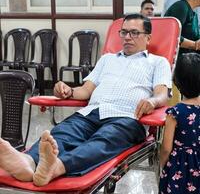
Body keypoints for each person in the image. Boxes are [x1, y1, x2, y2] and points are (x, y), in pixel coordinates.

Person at [0, 13, 172, 187]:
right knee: (61, 133)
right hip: (91, 113)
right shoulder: (107, 59)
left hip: (127, 118)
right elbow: (85, 90)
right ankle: (27, 162)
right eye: (124, 32)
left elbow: (162, 94)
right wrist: (67, 91)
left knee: (101, 142)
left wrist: (153, 102)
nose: (127, 37)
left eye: (134, 33)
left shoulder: (157, 62)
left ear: (148, 38)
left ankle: (57, 167)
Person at [159, 53, 200, 194]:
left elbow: (166, 148)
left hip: (179, 167)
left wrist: (163, 166)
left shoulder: (175, 112)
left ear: (176, 82)